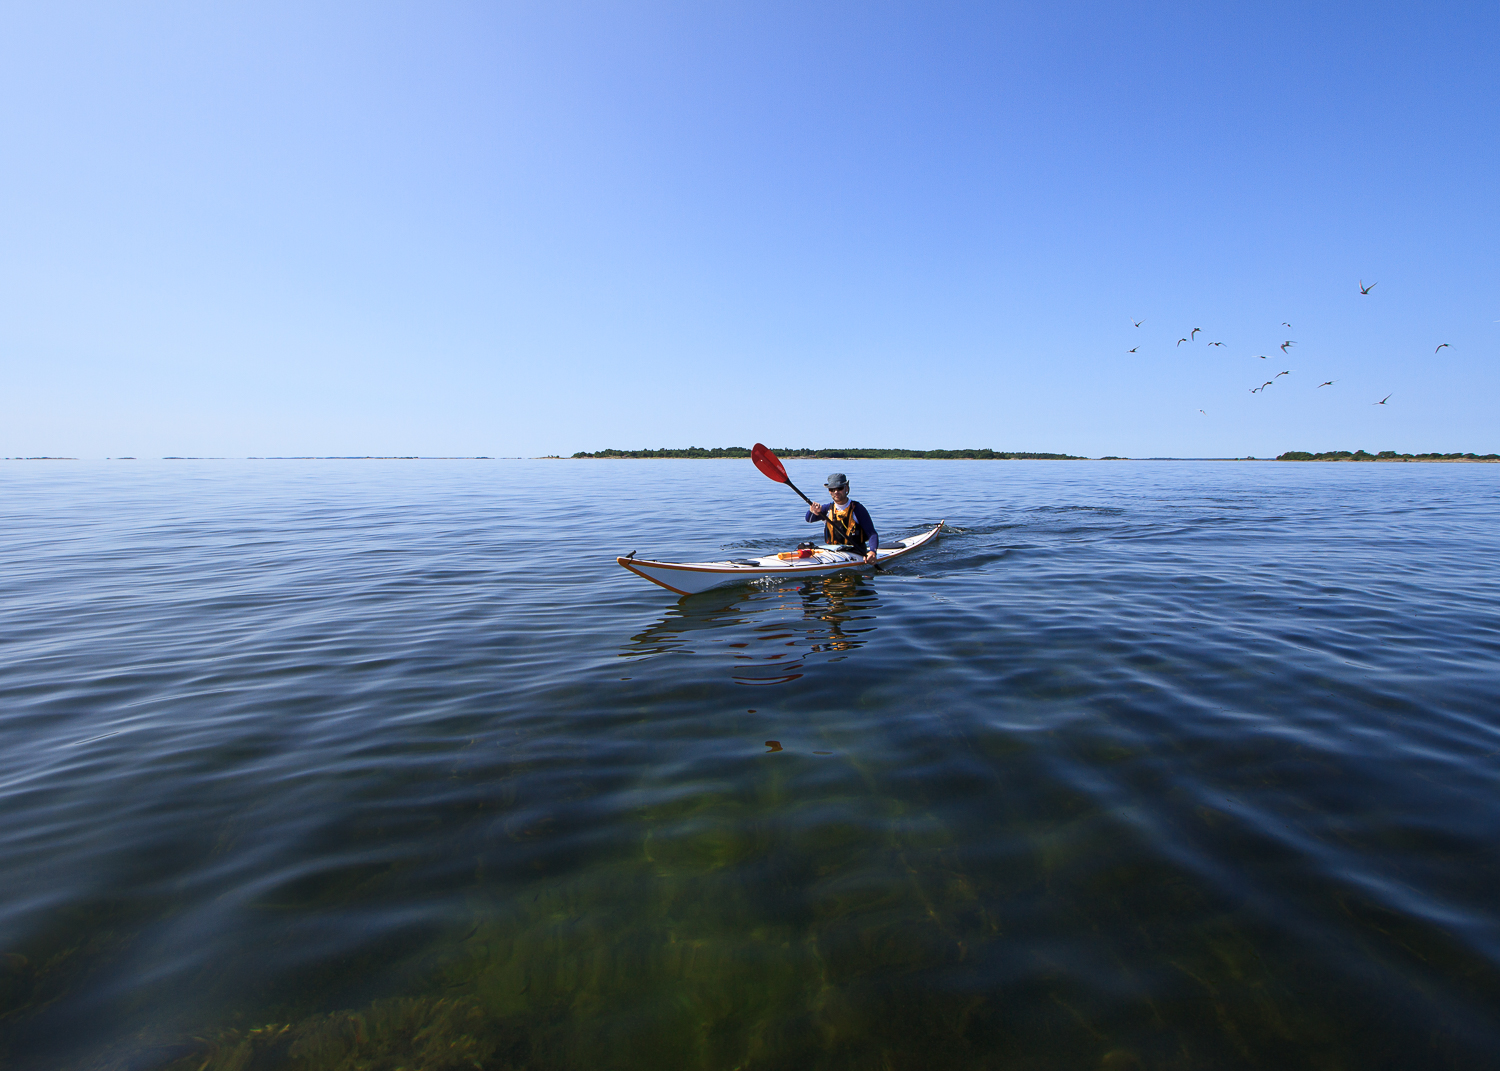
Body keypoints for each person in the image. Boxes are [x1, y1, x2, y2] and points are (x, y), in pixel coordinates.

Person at [805, 472, 879, 563]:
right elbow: (809, 519)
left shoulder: (857, 509)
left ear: (846, 488)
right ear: (829, 491)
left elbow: (872, 533)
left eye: (839, 488)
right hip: (833, 552)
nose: (836, 492)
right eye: (832, 489)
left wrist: (872, 551)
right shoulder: (826, 509)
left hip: (856, 552)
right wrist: (812, 510)